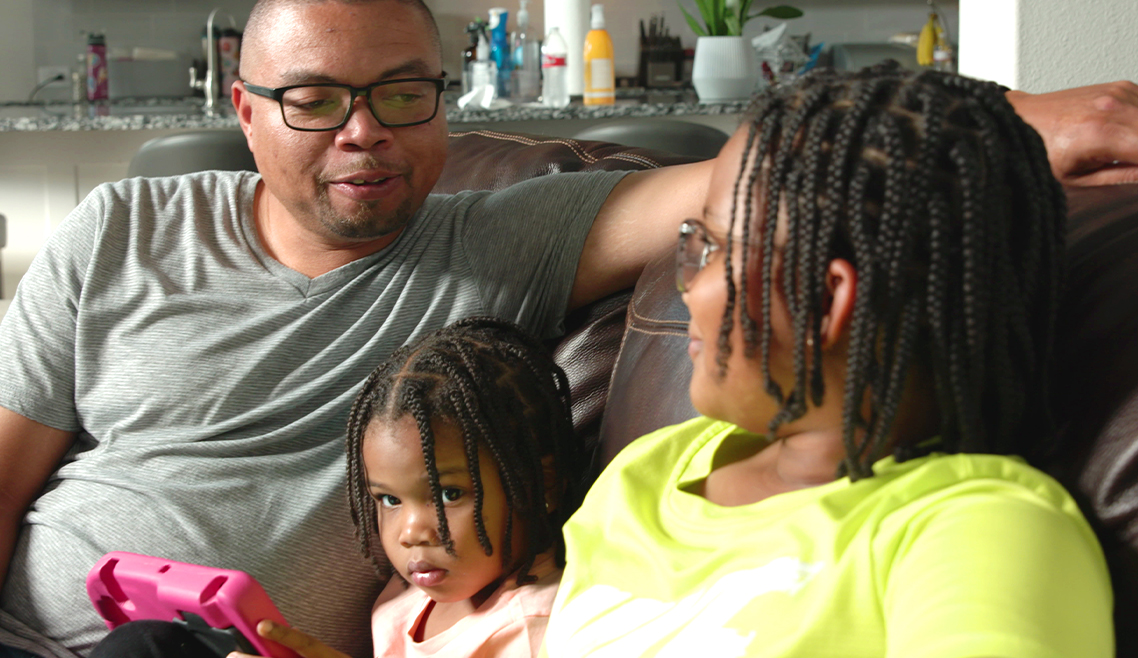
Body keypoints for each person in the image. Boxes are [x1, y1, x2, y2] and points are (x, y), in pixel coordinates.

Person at [0, 0, 1134, 654]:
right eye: (314, 99)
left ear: (443, 97)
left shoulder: (504, 239)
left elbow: (747, 187)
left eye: (401, 92)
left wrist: (1013, 119)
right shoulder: (651, 478)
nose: (364, 131)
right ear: (244, 111)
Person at [542, 64, 1113, 657]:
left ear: (825, 299)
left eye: (711, 248)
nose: (688, 286)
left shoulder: (977, 532)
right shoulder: (644, 472)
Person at [89, 318, 585, 658]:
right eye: (388, 500)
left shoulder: (531, 626)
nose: (411, 531)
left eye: (448, 494)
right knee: (145, 644)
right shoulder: (412, 595)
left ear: (539, 483)